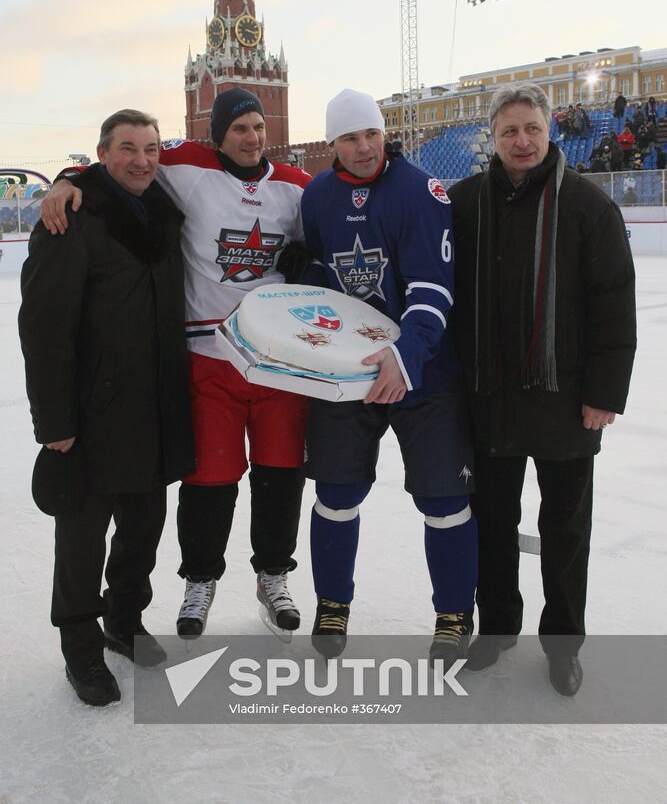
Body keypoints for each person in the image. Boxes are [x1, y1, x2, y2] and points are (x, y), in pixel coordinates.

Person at [38, 89, 310, 640]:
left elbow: (342, 215)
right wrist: (67, 177)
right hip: (208, 354)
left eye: (257, 126)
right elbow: (116, 169)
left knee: (281, 471)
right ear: (218, 135)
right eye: (238, 128)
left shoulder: (298, 185)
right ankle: (200, 579)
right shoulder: (182, 163)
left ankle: (274, 574)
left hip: (277, 361)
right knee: (209, 477)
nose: (251, 137)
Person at [449, 83, 636, 697]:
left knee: (565, 531)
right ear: (493, 138)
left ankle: (563, 644)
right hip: (491, 397)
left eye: (531, 128)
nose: (522, 141)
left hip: (567, 401)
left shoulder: (586, 205)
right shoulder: (467, 202)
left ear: (549, 130)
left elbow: (613, 304)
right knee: (492, 525)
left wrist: (604, 393)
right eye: (509, 131)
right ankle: (499, 626)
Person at [19, 109, 195, 706]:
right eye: (127, 148)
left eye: (149, 148)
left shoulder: (163, 214)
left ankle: (125, 619)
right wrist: (55, 424)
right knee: (83, 537)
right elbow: (44, 327)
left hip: (157, 404)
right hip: (93, 412)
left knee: (144, 527)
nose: (141, 159)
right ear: (102, 154)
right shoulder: (72, 216)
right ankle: (79, 644)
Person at [300, 88, 477, 666]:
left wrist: (406, 356)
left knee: (443, 496)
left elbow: (433, 285)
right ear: (333, 144)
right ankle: (333, 604)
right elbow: (322, 275)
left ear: (384, 132)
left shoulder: (418, 190)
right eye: (349, 137)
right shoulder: (318, 196)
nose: (363, 147)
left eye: (371, 133)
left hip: (422, 370)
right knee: (336, 492)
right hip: (351, 374)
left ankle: (454, 614)